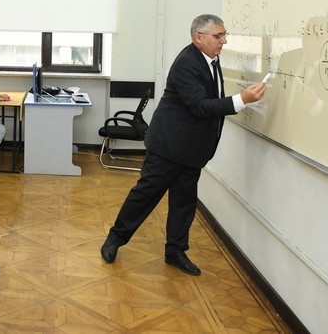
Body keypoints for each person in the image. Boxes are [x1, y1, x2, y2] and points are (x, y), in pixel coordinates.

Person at [101, 14, 266, 275]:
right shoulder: (187, 63)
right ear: (198, 37)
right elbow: (199, 106)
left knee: (184, 202)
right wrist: (241, 99)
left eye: (224, 34)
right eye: (218, 36)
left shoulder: (212, 59)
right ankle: (114, 239)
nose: (224, 41)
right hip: (168, 146)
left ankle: (175, 251)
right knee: (145, 196)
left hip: (193, 149)